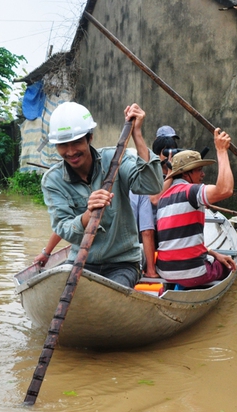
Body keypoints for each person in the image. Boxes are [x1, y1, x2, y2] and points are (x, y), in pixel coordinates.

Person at [41, 101, 163, 288]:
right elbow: (63, 228)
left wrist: (137, 134)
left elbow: (152, 185)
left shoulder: (116, 160)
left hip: (122, 263)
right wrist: (88, 216)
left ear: (89, 138)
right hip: (80, 260)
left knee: (111, 295)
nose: (71, 151)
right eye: (63, 145)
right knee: (56, 291)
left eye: (76, 142)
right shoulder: (53, 180)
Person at [155, 128, 236, 287]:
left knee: (212, 258)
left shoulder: (163, 197)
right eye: (199, 170)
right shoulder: (191, 191)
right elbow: (225, 189)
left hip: (165, 271)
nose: (203, 174)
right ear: (185, 175)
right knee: (228, 266)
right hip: (193, 273)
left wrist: (212, 253)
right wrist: (221, 151)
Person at [129, 192, 159, 278]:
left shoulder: (97, 188)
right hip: (126, 261)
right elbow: (147, 232)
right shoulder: (140, 191)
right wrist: (151, 270)